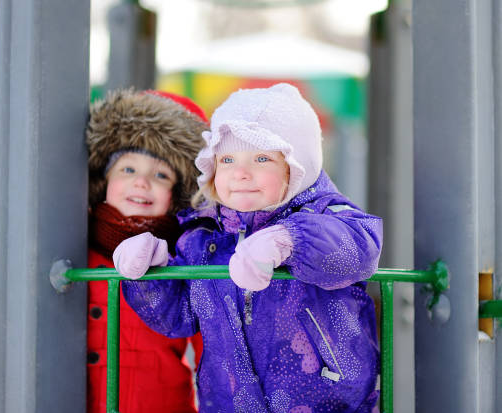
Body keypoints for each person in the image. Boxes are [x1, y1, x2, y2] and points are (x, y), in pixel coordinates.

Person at [113, 83, 383, 412]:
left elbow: (360, 246)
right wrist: (151, 274)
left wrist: (290, 240)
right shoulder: (205, 235)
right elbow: (178, 317)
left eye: (261, 158)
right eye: (227, 159)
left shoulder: (329, 214)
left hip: (328, 401)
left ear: (297, 166)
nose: (240, 173)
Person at [85, 89, 207, 413]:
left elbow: (214, 353)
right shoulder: (76, 243)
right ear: (104, 180)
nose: (141, 182)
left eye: (160, 175)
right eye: (127, 169)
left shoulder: (186, 259)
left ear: (178, 194)